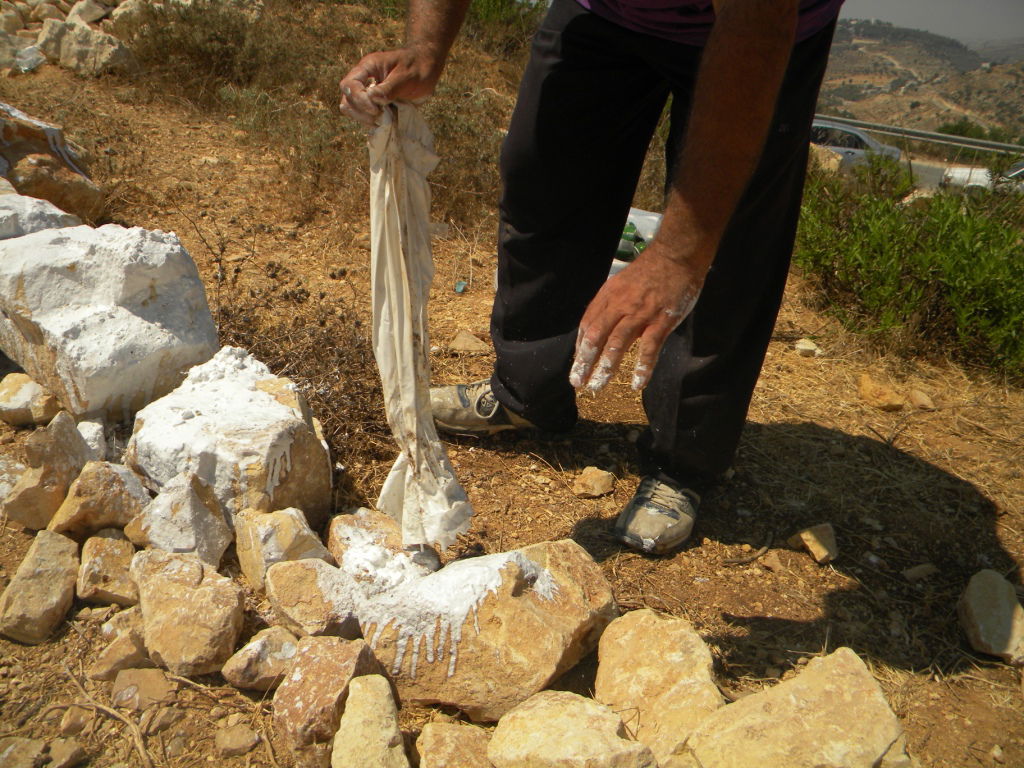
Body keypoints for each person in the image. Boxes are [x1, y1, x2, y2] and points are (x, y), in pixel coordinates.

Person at [340, 0, 845, 555]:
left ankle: (685, 456)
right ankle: (527, 393)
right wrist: (425, 49)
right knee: (545, 178)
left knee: (727, 238)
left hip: (756, 29)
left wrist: (678, 255)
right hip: (603, 14)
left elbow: (756, 25)